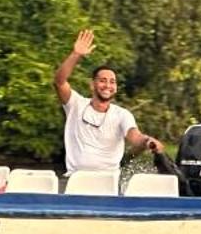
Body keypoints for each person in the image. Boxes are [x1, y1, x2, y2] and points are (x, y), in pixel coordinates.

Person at [53, 29, 164, 173]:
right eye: (103, 81)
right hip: (75, 179)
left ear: (116, 88)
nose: (108, 85)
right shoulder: (76, 104)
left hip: (108, 182)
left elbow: (135, 136)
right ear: (92, 85)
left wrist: (148, 141)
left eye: (112, 82)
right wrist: (76, 54)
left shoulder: (122, 115)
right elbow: (59, 82)